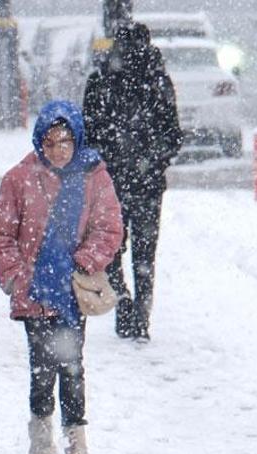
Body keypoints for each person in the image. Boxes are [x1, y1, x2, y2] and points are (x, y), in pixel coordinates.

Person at [0, 100, 123, 454]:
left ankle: (77, 444)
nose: (59, 149)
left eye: (65, 141)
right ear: (38, 141)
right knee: (41, 365)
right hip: (34, 290)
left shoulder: (94, 174)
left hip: (72, 290)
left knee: (72, 363)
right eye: (50, 142)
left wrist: (84, 261)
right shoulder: (19, 178)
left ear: (77, 138)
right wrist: (16, 276)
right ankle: (41, 435)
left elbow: (109, 228)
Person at [83, 22, 182, 341]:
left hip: (111, 182)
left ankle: (124, 301)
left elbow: (89, 133)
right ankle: (140, 314)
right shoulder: (158, 82)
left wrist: (106, 160)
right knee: (144, 251)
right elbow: (173, 136)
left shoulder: (101, 81)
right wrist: (153, 160)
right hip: (148, 183)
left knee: (111, 246)